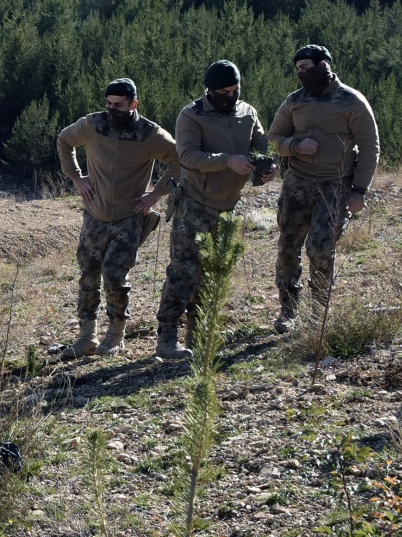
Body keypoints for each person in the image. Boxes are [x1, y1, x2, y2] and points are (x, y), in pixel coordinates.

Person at [156, 60, 274, 361]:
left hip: (226, 208)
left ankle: (200, 336)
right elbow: (187, 156)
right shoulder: (191, 115)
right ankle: (167, 338)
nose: (231, 96)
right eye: (225, 91)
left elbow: (260, 143)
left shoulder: (247, 112)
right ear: (210, 90)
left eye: (236, 90)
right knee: (184, 273)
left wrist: (266, 165)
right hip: (194, 205)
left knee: (211, 276)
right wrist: (227, 160)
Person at [56, 78, 179, 357]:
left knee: (113, 275)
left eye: (119, 105)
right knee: (89, 274)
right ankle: (86, 337)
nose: (113, 110)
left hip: (129, 217)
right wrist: (77, 178)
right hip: (95, 215)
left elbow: (179, 160)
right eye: (109, 104)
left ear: (134, 104)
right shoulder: (93, 124)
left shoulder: (149, 134)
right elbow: (64, 140)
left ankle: (115, 335)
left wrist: (155, 195)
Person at [266, 45, 380, 335]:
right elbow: (275, 137)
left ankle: (318, 312)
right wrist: (295, 146)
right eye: (299, 69)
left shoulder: (351, 101)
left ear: (324, 65)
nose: (303, 73)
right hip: (297, 183)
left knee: (320, 247)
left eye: (307, 67)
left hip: (335, 186)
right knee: (288, 245)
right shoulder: (294, 101)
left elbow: (369, 147)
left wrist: (359, 191)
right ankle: (288, 309)